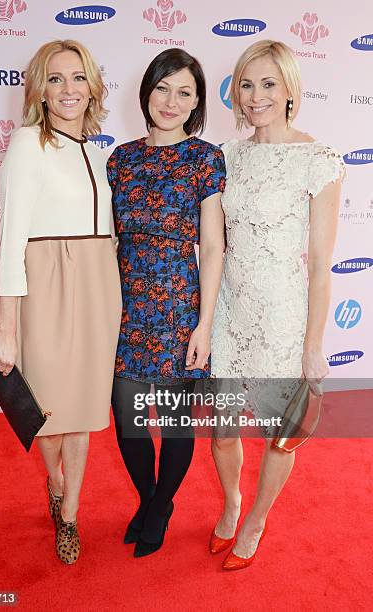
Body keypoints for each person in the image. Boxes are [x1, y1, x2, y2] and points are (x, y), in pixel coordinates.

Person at [210, 40, 345, 570]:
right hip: (228, 314)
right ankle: (231, 503)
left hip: (282, 319)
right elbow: (215, 241)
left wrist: (313, 344)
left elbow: (320, 264)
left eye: (269, 84)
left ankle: (257, 519)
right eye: (247, 84)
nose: (257, 95)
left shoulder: (319, 161)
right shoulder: (227, 156)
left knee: (279, 438)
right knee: (220, 432)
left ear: (290, 89)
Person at [0, 40, 121, 565]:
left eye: (78, 77)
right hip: (45, 284)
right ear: (39, 90)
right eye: (56, 78)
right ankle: (54, 479)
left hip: (98, 285)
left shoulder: (97, 151)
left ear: (92, 86)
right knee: (46, 410)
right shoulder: (26, 144)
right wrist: (8, 329)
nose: (69, 89)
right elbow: (11, 241)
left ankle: (69, 512)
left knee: (85, 409)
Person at [107, 48, 226, 557]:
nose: (170, 101)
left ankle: (159, 507)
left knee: (176, 423)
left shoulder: (205, 158)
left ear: (197, 102)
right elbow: (109, 239)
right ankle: (150, 498)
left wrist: (204, 325)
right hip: (125, 305)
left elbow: (215, 245)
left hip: (179, 304)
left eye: (184, 92)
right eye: (162, 88)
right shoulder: (120, 158)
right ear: (147, 91)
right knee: (129, 420)